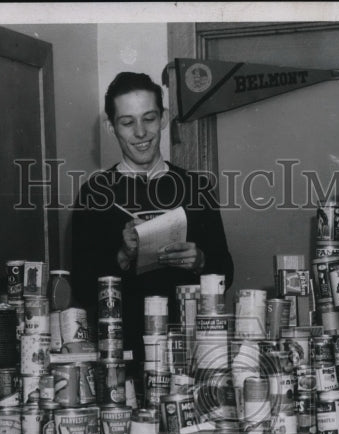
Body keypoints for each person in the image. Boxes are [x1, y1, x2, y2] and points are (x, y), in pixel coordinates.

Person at [69, 71, 234, 379]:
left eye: (149, 118)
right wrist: (122, 256)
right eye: (127, 122)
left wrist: (200, 262)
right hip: (122, 359)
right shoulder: (95, 193)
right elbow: (80, 288)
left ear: (164, 118)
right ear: (111, 126)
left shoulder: (196, 187)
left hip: (191, 354)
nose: (141, 132)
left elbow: (227, 271)